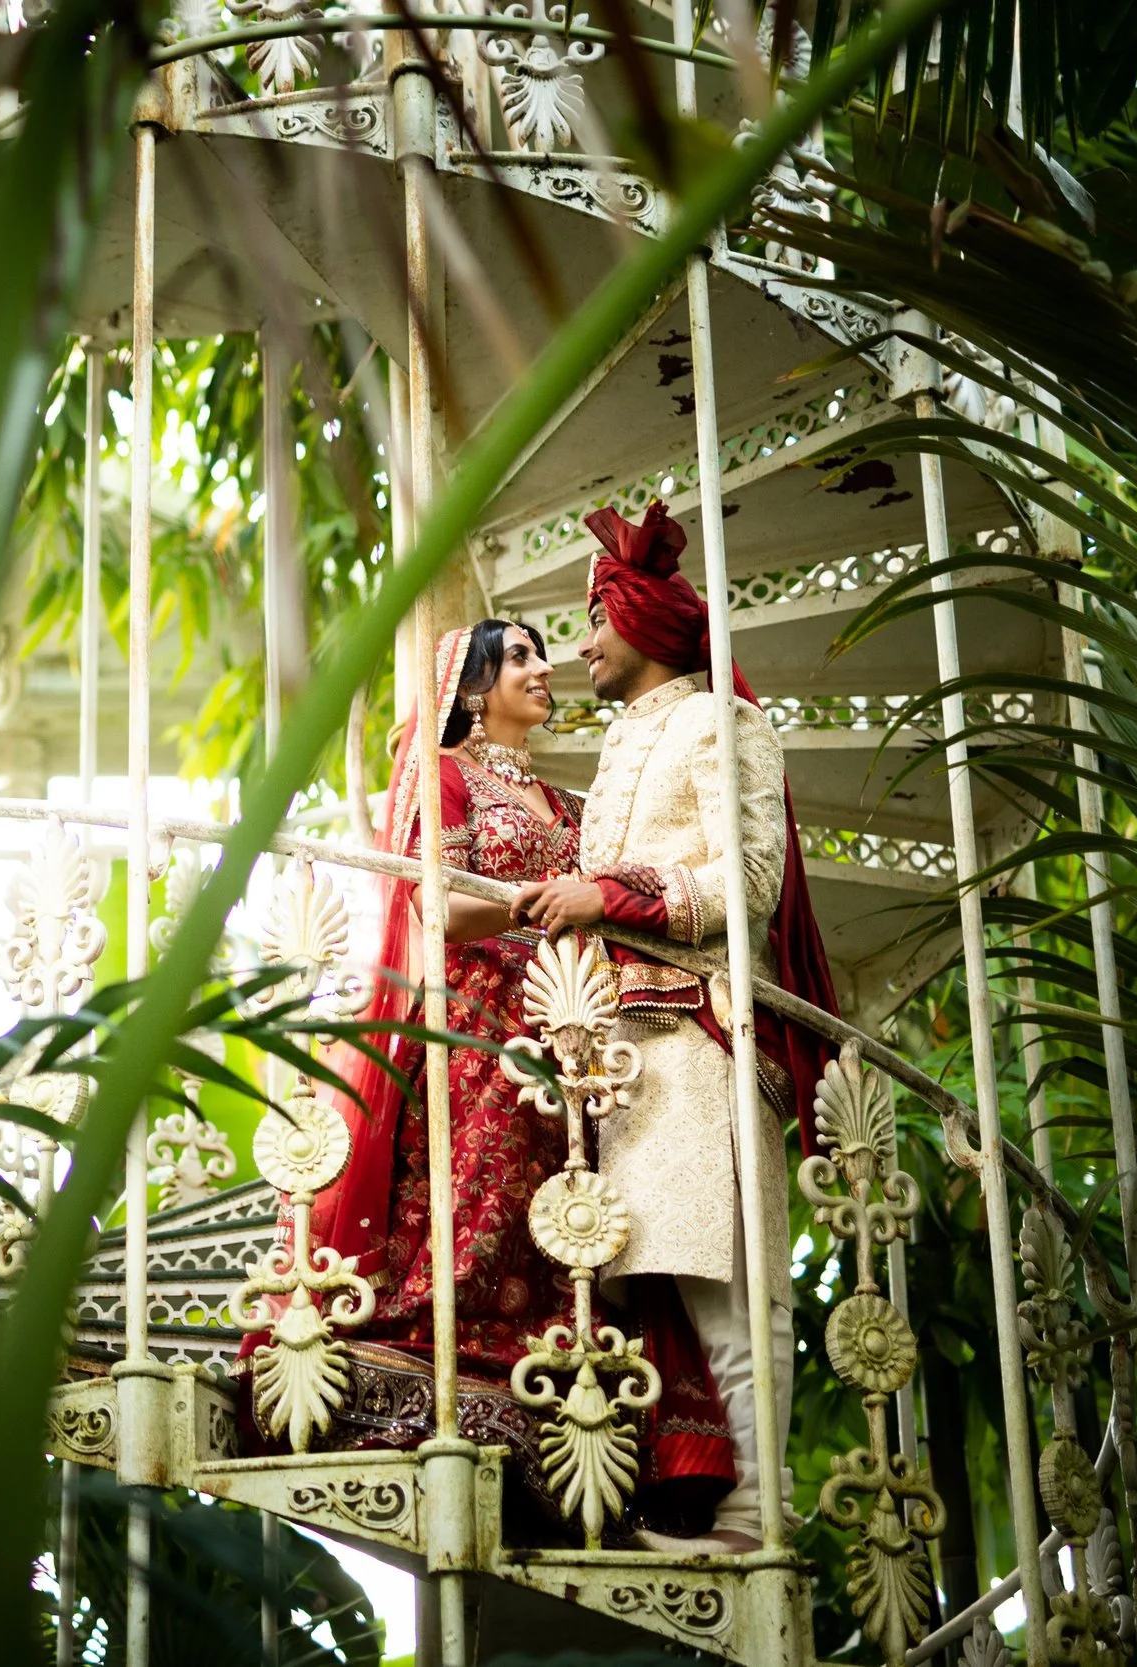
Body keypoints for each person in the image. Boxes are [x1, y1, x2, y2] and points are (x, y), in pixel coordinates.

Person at [302, 617, 738, 1533]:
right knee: (490, 1200)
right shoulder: (445, 771)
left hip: (567, 1023)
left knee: (577, 1217)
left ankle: (566, 1380)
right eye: (521, 659)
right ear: (470, 688)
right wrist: (538, 913)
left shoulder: (569, 803)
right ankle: (462, 1371)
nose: (545, 670)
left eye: (546, 653)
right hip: (479, 1023)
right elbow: (435, 903)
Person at [512, 500, 842, 1552]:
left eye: (596, 619)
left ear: (646, 623)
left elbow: (748, 879)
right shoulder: (619, 745)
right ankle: (687, 1499)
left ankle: (757, 1514)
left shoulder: (717, 721)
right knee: (643, 1280)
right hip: (622, 1056)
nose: (581, 644)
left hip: (705, 1034)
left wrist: (606, 895)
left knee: (726, 1282)